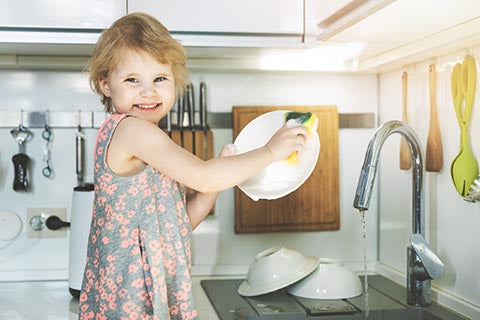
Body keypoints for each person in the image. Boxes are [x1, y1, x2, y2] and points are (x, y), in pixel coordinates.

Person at [78, 12, 308, 320]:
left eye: (160, 78)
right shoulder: (133, 131)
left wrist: (220, 175)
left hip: (150, 296)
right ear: (106, 85)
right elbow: (203, 176)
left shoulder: (148, 140)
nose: (149, 91)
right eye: (132, 80)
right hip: (130, 302)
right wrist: (270, 151)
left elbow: (180, 225)